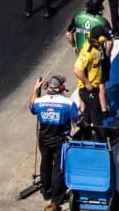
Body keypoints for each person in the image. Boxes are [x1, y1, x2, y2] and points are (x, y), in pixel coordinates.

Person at [30, 75, 81, 204]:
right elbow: (78, 120)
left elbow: (32, 107)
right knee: (58, 168)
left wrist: (35, 90)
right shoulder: (68, 103)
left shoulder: (39, 102)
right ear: (62, 88)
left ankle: (46, 191)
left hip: (44, 139)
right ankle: (57, 198)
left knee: (45, 164)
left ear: (47, 87)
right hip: (60, 140)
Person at [75, 30, 111, 128]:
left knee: (87, 118)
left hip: (94, 88)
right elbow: (77, 70)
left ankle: (87, 136)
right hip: (88, 89)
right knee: (96, 118)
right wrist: (87, 83)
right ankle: (97, 138)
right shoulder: (88, 52)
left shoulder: (96, 48)